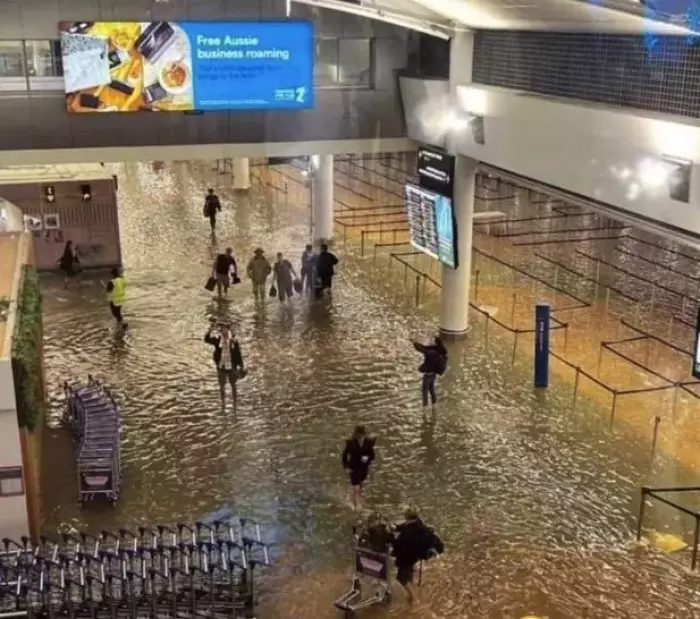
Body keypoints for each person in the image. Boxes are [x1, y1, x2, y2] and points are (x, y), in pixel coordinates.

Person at [392, 506, 444, 605]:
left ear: (406, 516)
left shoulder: (408, 533)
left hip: (408, 557)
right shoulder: (418, 524)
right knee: (408, 573)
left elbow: (399, 546)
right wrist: (396, 528)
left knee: (401, 578)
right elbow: (404, 527)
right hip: (417, 555)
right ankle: (412, 588)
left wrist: (393, 545)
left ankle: (414, 598)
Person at [204, 322, 245, 406]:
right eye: (220, 328)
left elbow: (238, 354)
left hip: (232, 367)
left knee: (233, 385)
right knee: (222, 387)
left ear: (227, 328)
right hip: (221, 367)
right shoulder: (218, 340)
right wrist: (209, 330)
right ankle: (223, 403)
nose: (221, 330)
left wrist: (241, 366)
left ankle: (234, 403)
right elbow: (206, 339)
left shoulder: (233, 341)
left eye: (223, 328)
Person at [341, 425, 375, 510]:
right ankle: (357, 506)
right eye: (358, 435)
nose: (359, 437)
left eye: (361, 435)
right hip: (353, 468)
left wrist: (367, 458)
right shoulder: (350, 443)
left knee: (360, 485)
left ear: (363, 434)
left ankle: (357, 498)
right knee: (356, 487)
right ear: (355, 434)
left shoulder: (368, 442)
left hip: (363, 468)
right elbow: (344, 455)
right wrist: (346, 467)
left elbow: (372, 455)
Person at [412, 337, 448, 410]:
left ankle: (424, 408)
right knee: (432, 390)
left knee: (425, 392)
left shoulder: (432, 353)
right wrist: (416, 342)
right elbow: (424, 348)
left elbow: (422, 349)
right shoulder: (439, 351)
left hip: (427, 375)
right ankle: (434, 406)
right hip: (433, 374)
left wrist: (414, 343)